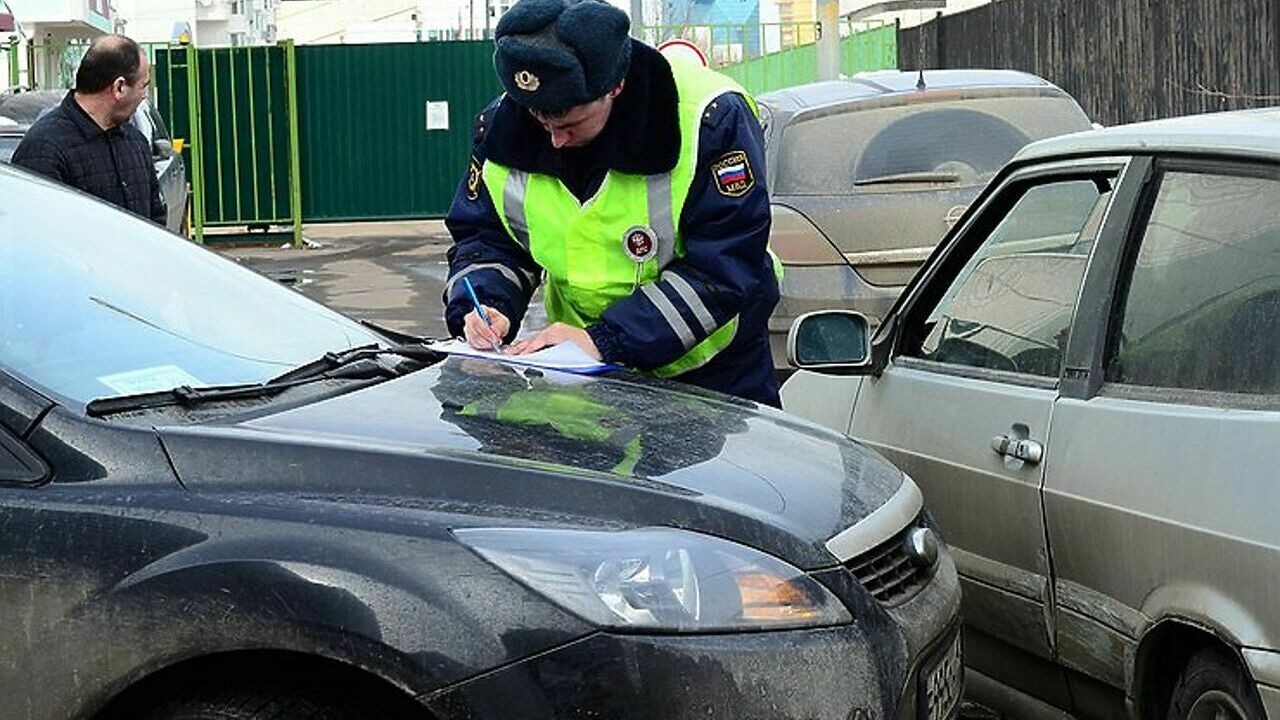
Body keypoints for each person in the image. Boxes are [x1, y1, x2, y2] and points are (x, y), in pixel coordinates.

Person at [443, 0, 781, 406]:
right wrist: (487, 304)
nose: (554, 140)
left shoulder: (710, 118)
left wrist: (604, 339)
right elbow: (487, 238)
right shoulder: (501, 127)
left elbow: (725, 267)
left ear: (615, 87)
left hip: (715, 372)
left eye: (569, 124)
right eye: (539, 118)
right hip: (583, 371)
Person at [11, 34, 165, 226]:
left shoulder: (135, 141)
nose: (144, 96)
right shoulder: (44, 149)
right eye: (143, 86)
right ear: (119, 87)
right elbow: (37, 235)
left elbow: (156, 221)